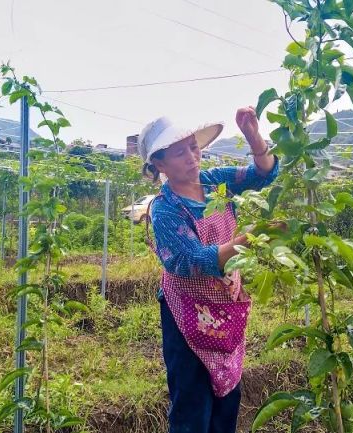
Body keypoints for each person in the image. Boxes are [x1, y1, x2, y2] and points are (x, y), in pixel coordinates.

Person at [138, 107, 279, 433]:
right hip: (186, 313)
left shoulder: (215, 182)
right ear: (159, 164)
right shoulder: (165, 208)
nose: (192, 157)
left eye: (193, 147)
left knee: (227, 395)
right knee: (192, 402)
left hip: (224, 307)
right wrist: (247, 240)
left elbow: (263, 174)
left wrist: (253, 136)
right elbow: (190, 260)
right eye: (179, 152)